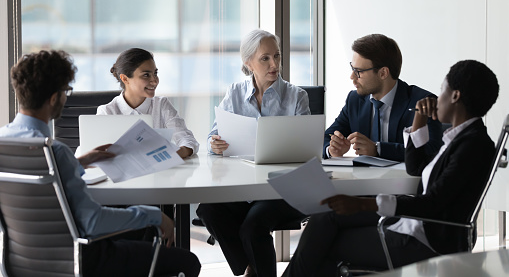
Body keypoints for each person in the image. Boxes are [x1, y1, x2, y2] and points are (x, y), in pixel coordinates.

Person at [283, 59, 499, 277]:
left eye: (442, 90)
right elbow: (416, 168)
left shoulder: (473, 145)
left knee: (324, 243)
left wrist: (362, 204)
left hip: (427, 240)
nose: (437, 97)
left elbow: (433, 202)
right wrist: (419, 121)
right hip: (416, 225)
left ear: (455, 96)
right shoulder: (459, 138)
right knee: (326, 216)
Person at [0, 50, 201, 277]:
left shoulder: (7, 144)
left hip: (21, 263)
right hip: (83, 260)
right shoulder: (55, 152)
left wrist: (80, 162)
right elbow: (92, 221)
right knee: (188, 262)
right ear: (55, 98)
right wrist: (154, 216)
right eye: (66, 91)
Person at [196, 29, 310, 277]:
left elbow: (306, 150)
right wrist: (213, 144)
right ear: (248, 63)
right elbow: (211, 137)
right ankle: (250, 269)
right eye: (265, 58)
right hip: (245, 188)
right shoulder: (235, 93)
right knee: (207, 210)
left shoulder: (296, 97)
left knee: (252, 227)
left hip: (282, 190)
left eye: (277, 56)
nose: (274, 64)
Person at [324, 34, 443, 161]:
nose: (352, 76)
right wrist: (331, 149)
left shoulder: (422, 101)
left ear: (383, 73)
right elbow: (325, 138)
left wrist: (378, 149)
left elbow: (433, 150)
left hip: (405, 179)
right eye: (352, 68)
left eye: (359, 71)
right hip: (362, 178)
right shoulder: (355, 100)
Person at [97, 48, 199, 159]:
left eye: (155, 73)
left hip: (159, 173)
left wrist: (173, 154)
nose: (154, 81)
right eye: (146, 75)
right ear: (125, 79)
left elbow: (187, 139)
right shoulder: (107, 112)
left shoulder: (161, 105)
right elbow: (97, 152)